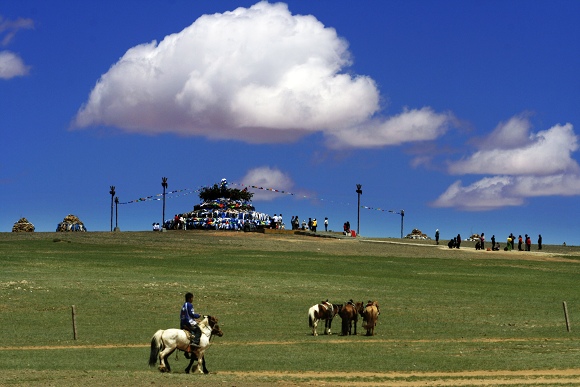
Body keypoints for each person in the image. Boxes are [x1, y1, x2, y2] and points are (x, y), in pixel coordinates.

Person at [180, 292, 202, 357]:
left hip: (183, 323)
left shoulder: (184, 305)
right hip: (188, 323)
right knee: (198, 331)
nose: (193, 299)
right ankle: (194, 343)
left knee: (191, 333)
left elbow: (186, 315)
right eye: (192, 298)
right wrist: (198, 315)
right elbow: (191, 314)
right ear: (190, 298)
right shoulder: (189, 305)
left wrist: (195, 320)